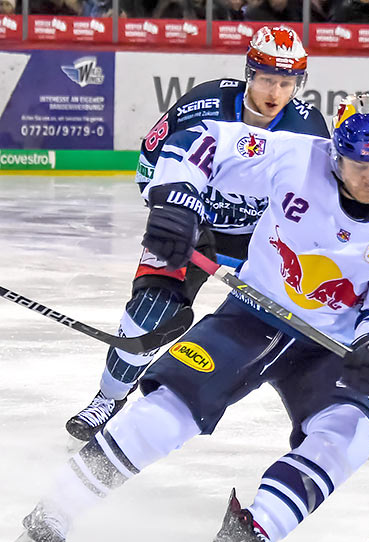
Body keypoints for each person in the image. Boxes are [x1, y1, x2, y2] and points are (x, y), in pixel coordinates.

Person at [10, 93, 369, 542]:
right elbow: (204, 143)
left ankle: (251, 533)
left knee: (352, 432)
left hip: (330, 345)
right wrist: (177, 202)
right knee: (171, 407)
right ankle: (58, 507)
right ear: (335, 153)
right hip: (254, 313)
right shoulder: (296, 156)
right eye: (356, 163)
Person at [64, 26, 329, 443]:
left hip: (261, 239)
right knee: (147, 315)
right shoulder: (203, 105)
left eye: (286, 82)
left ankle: (327, 422)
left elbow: (318, 202)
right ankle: (108, 399)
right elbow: (152, 161)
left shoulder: (310, 129)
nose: (275, 92)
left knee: (298, 330)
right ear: (249, 73)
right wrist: (171, 213)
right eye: (266, 79)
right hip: (196, 226)